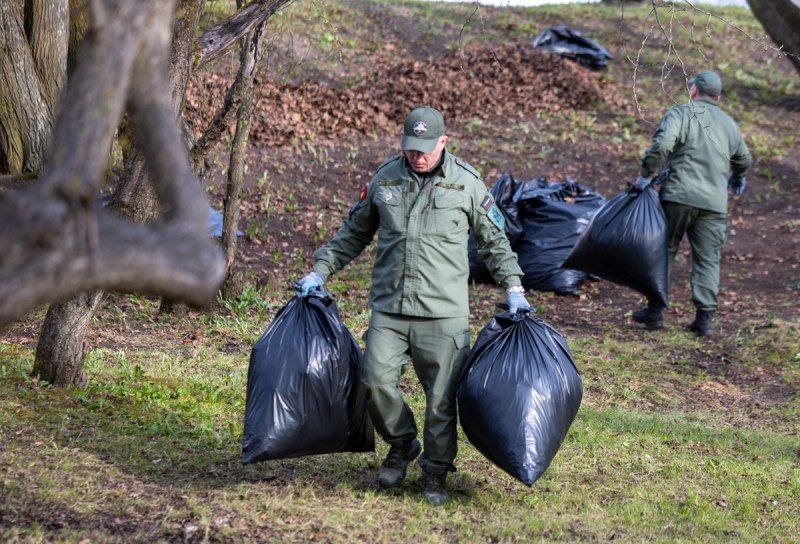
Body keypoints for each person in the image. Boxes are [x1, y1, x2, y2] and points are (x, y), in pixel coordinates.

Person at [295, 106, 530, 505]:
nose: (417, 156)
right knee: (374, 382)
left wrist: (514, 288)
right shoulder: (386, 178)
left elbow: (495, 242)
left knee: (441, 401)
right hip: (390, 307)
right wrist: (320, 270)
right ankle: (402, 443)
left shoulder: (466, 183)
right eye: (410, 148)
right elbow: (353, 233)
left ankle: (436, 471)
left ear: (444, 142)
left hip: (444, 313)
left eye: (425, 148)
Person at [630, 70, 752, 336]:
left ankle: (655, 312)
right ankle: (704, 320)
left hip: (679, 195)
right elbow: (744, 158)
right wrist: (737, 177)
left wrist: (646, 173)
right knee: (708, 259)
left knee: (664, 250)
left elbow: (663, 144)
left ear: (693, 90)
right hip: (714, 203)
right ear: (717, 96)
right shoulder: (729, 124)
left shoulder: (682, 113)